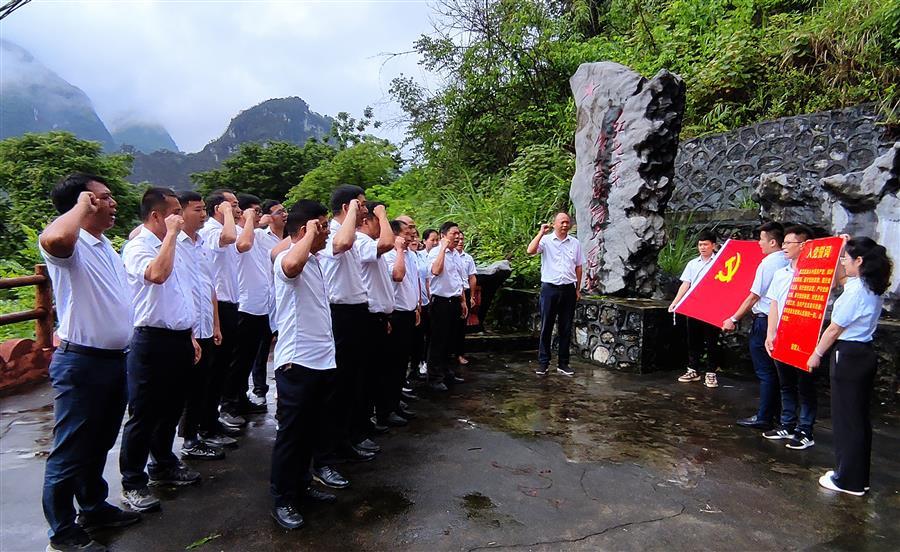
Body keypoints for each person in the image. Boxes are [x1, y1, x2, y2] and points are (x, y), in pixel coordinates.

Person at [39, 173, 140, 552]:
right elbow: (55, 239)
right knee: (70, 449)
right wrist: (81, 205)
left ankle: (93, 507)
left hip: (114, 361)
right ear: (82, 201)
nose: (112, 203)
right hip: (82, 364)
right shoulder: (70, 244)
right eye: (104, 197)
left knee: (99, 442)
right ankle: (62, 533)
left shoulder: (103, 246)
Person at [119, 188, 202, 513]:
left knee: (171, 408)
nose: (180, 218)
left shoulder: (173, 246)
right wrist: (170, 235)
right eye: (174, 212)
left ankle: (164, 463)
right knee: (144, 413)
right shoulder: (139, 247)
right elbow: (157, 275)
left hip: (178, 338)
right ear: (156, 216)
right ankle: (133, 481)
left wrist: (191, 334)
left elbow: (180, 294)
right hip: (151, 340)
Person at [269, 200, 340, 530]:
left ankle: (302, 485)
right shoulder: (289, 258)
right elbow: (289, 264)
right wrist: (308, 234)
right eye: (322, 227)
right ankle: (282, 498)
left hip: (322, 361)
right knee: (292, 435)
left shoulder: (316, 260)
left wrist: (312, 236)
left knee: (312, 431)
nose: (326, 233)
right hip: (298, 362)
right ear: (304, 231)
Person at [809, 237, 891, 496]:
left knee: (846, 419)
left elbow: (834, 329)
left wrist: (817, 353)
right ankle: (856, 476)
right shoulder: (871, 286)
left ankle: (847, 480)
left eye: (846, 257)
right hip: (863, 352)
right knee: (857, 418)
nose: (842, 261)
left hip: (848, 354)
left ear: (859, 261)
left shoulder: (856, 291)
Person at [316, 184, 373, 488]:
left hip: (356, 312)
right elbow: (341, 244)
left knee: (353, 383)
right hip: (339, 315)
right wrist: (352, 212)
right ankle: (327, 455)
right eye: (361, 205)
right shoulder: (334, 234)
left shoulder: (349, 232)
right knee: (336, 387)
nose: (366, 210)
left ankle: (346, 440)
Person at [722, 222, 789, 429]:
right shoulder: (788, 262)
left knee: (766, 372)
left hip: (765, 320)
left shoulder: (768, 263)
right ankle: (779, 415)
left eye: (761, 239)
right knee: (777, 372)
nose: (759, 243)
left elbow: (753, 297)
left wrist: (733, 318)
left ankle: (764, 416)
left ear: (772, 241)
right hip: (782, 320)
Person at [176, 191, 226, 460]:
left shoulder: (201, 244)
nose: (203, 213)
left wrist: (216, 324)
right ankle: (189, 438)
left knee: (204, 384)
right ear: (181, 212)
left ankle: (202, 431)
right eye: (197, 209)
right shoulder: (174, 245)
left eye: (204, 208)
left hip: (207, 326)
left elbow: (210, 288)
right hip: (188, 329)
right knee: (188, 387)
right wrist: (190, 332)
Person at [764, 224, 818, 450]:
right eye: (783, 242)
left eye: (789, 243)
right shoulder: (781, 273)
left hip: (805, 334)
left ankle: (805, 430)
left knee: (805, 385)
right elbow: (774, 303)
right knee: (786, 383)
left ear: (803, 245)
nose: (784, 246)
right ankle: (787, 423)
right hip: (782, 334)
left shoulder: (815, 273)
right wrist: (771, 333)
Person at [197, 190, 247, 433]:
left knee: (222, 368)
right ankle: (204, 425)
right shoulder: (211, 231)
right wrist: (227, 213)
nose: (238, 210)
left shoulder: (226, 229)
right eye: (233, 205)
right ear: (219, 208)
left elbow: (241, 244)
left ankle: (211, 420)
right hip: (218, 305)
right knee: (214, 369)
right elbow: (229, 236)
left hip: (230, 304)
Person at [355, 202, 398, 437]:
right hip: (368, 318)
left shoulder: (367, 244)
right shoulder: (361, 242)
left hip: (379, 316)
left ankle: (370, 418)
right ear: (366, 221)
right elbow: (388, 242)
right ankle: (363, 423)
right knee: (367, 375)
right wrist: (382, 213)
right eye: (377, 220)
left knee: (377, 373)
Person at [526, 212, 583, 377]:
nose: (565, 225)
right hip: (549, 288)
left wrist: (577, 288)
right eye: (562, 222)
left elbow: (579, 266)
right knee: (546, 326)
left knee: (566, 327)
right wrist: (540, 233)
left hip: (568, 289)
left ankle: (563, 363)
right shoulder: (546, 240)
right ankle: (543, 362)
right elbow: (530, 250)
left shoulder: (575, 243)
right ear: (555, 224)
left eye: (567, 222)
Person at [382, 219, 421, 425]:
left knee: (401, 363)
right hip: (395, 313)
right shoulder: (389, 254)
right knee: (392, 364)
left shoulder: (411, 255)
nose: (412, 234)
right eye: (407, 231)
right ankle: (386, 409)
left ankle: (396, 402)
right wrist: (398, 250)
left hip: (408, 311)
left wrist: (415, 306)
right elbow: (397, 276)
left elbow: (413, 283)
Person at [248, 199, 287, 406]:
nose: (284, 214)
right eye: (279, 212)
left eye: (285, 210)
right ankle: (259, 389)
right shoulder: (260, 236)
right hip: (265, 298)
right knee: (261, 349)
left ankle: (281, 389)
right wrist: (259, 223)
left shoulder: (290, 237)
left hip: (283, 298)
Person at [669, 229, 720, 388]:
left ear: (713, 245)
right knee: (693, 339)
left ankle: (711, 372)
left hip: (712, 307)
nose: (702, 248)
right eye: (700, 245)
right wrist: (676, 302)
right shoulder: (692, 264)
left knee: (712, 340)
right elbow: (686, 284)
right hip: (694, 306)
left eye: (705, 244)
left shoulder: (719, 262)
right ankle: (693, 369)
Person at [426, 221, 468, 391]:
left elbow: (459, 278)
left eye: (459, 233)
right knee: (438, 341)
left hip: (454, 301)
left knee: (451, 339)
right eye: (453, 234)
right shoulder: (436, 252)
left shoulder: (456, 255)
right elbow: (435, 271)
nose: (457, 237)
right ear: (443, 235)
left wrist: (463, 300)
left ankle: (446, 371)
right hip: (440, 302)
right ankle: (434, 377)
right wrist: (442, 248)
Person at [454, 232, 478, 366]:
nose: (460, 241)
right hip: (453, 293)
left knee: (462, 325)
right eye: (458, 239)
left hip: (466, 292)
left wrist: (472, 296)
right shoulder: (447, 256)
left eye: (462, 239)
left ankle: (459, 354)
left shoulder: (467, 258)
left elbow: (472, 277)